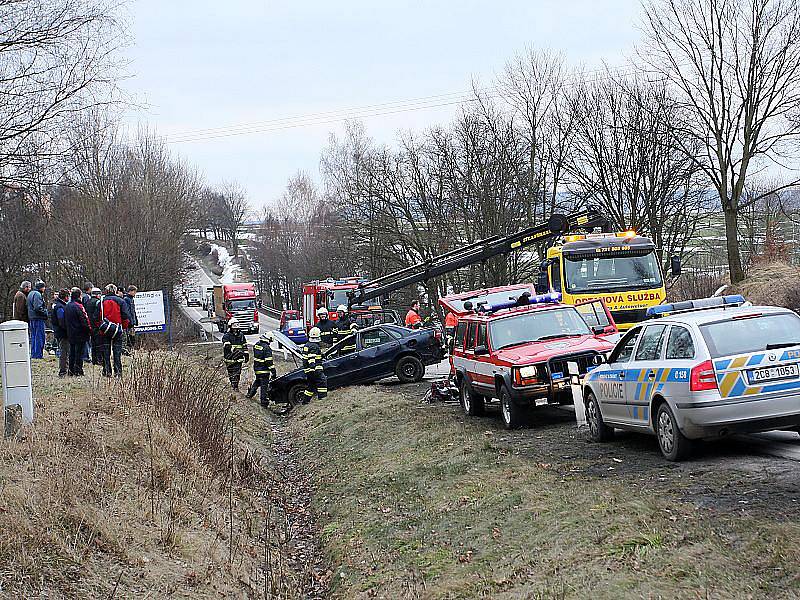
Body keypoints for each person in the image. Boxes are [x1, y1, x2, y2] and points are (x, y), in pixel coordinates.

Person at [99, 284, 131, 377]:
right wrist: (124, 327)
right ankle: (118, 372)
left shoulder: (101, 301)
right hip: (117, 329)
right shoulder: (121, 301)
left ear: (106, 291)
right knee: (117, 352)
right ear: (115, 291)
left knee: (106, 351)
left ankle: (106, 371)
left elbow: (97, 316)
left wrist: (100, 327)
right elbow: (125, 316)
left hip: (105, 329)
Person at [64, 288, 92, 377]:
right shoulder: (79, 306)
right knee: (79, 353)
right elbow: (84, 320)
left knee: (72, 353)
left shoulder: (67, 306)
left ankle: (71, 370)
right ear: (79, 296)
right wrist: (89, 330)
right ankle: (78, 371)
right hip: (80, 333)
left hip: (70, 333)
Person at [247, 331, 277, 406]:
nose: (270, 342)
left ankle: (250, 394)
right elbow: (269, 362)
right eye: (270, 341)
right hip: (264, 371)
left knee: (257, 381)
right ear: (268, 339)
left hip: (257, 369)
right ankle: (264, 402)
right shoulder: (267, 348)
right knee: (264, 386)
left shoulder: (257, 345)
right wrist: (273, 371)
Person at [222, 318, 249, 391]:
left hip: (238, 358)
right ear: (230, 327)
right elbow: (227, 346)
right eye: (234, 326)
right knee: (231, 372)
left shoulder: (241, 335)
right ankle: (232, 383)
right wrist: (235, 350)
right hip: (229, 358)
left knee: (237, 372)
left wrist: (246, 354)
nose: (236, 329)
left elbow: (244, 345)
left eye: (237, 326)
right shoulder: (226, 336)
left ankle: (235, 386)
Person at [301, 327, 326, 404]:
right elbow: (311, 357)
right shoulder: (314, 346)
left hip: (308, 370)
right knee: (322, 381)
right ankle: (322, 399)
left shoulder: (307, 345)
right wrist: (313, 368)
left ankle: (305, 402)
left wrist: (321, 356)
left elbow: (308, 356)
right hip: (315, 370)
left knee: (310, 386)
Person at [49, 289, 70, 376]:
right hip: (62, 333)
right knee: (64, 352)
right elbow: (61, 321)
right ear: (65, 297)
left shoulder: (58, 305)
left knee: (64, 351)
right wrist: (67, 329)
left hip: (59, 332)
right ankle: (63, 371)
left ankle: (65, 369)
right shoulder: (60, 307)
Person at [27, 280, 48, 359]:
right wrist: (45, 313)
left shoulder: (31, 293)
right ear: (41, 287)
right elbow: (38, 308)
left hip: (32, 318)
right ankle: (38, 355)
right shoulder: (37, 294)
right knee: (39, 337)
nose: (44, 289)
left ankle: (34, 354)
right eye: (44, 287)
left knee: (34, 337)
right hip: (38, 318)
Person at [85, 288, 104, 366]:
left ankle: (94, 360)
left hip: (90, 326)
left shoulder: (88, 302)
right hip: (97, 326)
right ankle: (99, 360)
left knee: (93, 344)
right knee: (99, 343)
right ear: (98, 295)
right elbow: (98, 315)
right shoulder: (98, 302)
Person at [123, 285, 138, 354]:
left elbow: (133, 311)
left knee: (132, 337)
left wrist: (136, 320)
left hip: (132, 322)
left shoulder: (131, 299)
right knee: (129, 337)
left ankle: (130, 350)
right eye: (134, 291)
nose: (135, 293)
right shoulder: (126, 299)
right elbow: (128, 312)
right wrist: (130, 321)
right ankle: (127, 350)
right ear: (131, 291)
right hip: (129, 323)